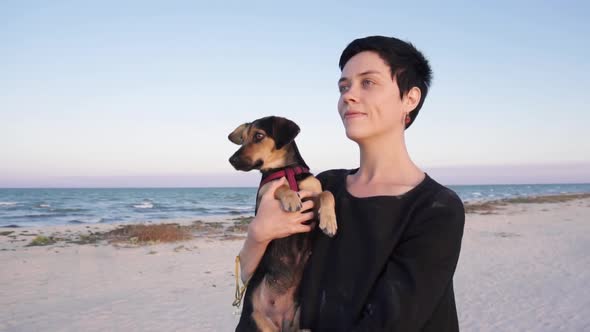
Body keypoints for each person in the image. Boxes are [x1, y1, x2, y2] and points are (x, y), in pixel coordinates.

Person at [237, 35, 465, 331]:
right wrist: (258, 234)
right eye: (344, 86)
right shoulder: (323, 186)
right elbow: (252, 278)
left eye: (368, 82)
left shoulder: (436, 209)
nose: (348, 95)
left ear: (410, 98)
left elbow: (390, 322)